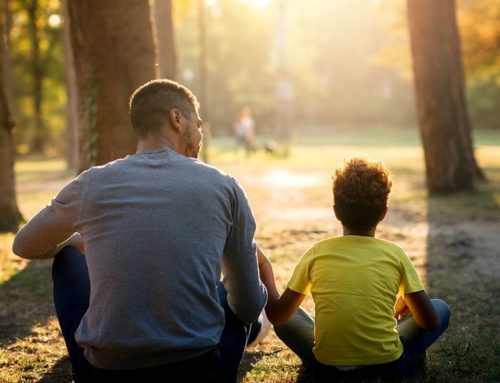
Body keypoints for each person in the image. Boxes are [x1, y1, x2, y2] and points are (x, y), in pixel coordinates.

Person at [12, 79, 268, 383]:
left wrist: (81, 239)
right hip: (199, 370)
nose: (201, 135)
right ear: (177, 118)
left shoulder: (91, 184)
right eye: (198, 124)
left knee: (67, 258)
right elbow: (249, 307)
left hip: (105, 373)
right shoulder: (224, 186)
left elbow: (24, 245)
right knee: (234, 290)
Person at [257, 157, 450, 382]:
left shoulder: (317, 252)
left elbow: (278, 316)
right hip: (386, 368)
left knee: (290, 317)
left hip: (327, 370)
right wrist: (408, 300)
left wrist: (265, 268)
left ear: (336, 212)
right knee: (439, 308)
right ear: (383, 213)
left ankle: (336, 344)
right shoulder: (395, 254)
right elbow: (430, 322)